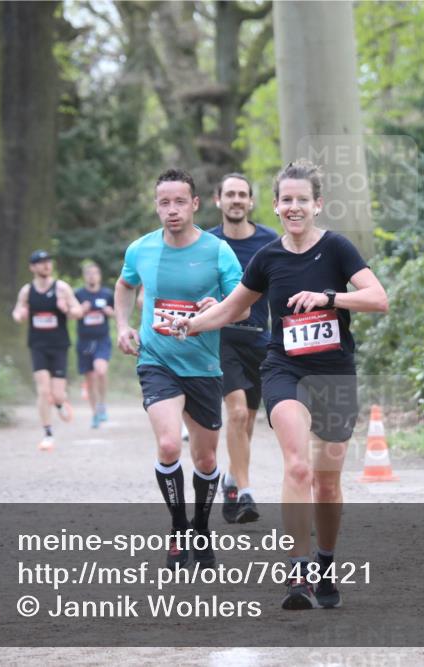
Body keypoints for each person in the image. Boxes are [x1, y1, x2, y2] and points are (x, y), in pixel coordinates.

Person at [158, 160, 388, 610]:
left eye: (303, 199)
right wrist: (190, 325)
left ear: (317, 204)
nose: (295, 207)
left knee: (326, 481)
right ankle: (297, 571)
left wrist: (329, 298)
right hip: (285, 369)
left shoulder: (338, 248)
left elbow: (377, 298)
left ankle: (324, 562)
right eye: (287, 200)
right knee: (298, 466)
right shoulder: (268, 257)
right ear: (277, 207)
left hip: (334, 372)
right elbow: (230, 309)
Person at [114, 168, 246, 570]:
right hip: (157, 360)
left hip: (204, 364)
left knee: (206, 461)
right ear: (156, 206)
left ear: (195, 204)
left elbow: (244, 305)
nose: (171, 210)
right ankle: (178, 527)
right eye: (164, 203)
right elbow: (125, 286)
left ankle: (202, 527)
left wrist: (217, 309)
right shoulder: (140, 249)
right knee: (170, 445)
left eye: (179, 202)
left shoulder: (218, 251)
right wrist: (123, 324)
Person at [209, 173, 278, 524]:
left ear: (251, 202)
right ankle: (247, 491)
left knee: (248, 420)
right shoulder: (206, 243)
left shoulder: (270, 241)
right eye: (229, 194)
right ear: (217, 200)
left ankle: (232, 480)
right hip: (221, 339)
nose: (236, 200)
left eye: (242, 195)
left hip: (258, 339)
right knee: (235, 414)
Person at [11, 250, 83, 451]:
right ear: (32, 267)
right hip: (38, 345)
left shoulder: (61, 288)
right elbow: (17, 311)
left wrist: (66, 309)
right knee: (43, 390)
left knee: (57, 394)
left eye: (48, 262)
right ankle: (48, 433)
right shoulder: (27, 291)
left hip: (59, 345)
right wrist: (20, 315)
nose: (46, 265)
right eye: (41, 263)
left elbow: (78, 311)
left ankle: (60, 403)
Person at [74, 261, 115, 428]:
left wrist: (110, 312)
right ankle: (94, 414)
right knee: (90, 379)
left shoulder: (107, 294)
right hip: (84, 341)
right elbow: (72, 314)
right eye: (89, 273)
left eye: (95, 273)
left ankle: (102, 404)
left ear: (99, 276)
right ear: (85, 276)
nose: (92, 276)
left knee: (101, 370)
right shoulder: (78, 294)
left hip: (101, 340)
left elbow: (116, 313)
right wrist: (80, 310)